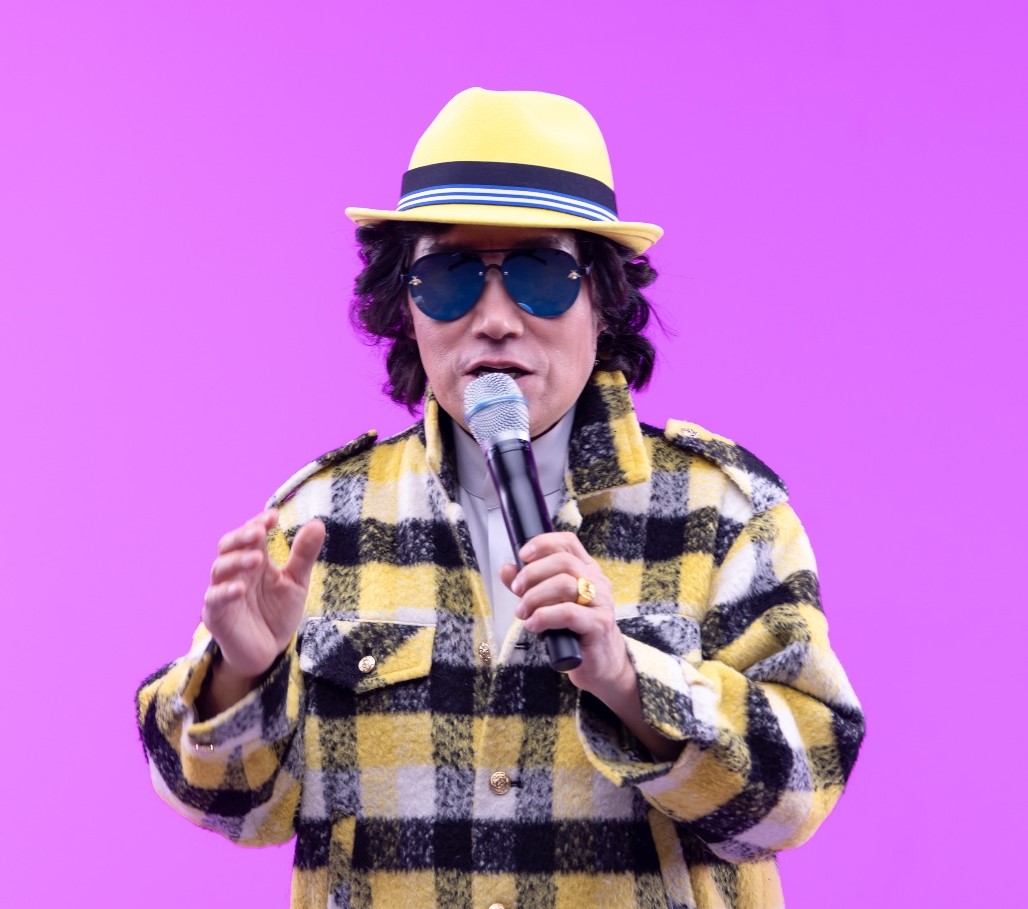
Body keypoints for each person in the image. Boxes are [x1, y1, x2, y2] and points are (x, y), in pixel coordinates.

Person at [136, 88, 864, 909]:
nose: (494, 319)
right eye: (449, 277)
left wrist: (628, 679)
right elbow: (227, 806)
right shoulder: (315, 521)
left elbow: (800, 793)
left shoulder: (723, 511)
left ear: (602, 298)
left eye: (539, 275)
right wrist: (241, 673)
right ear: (405, 304)